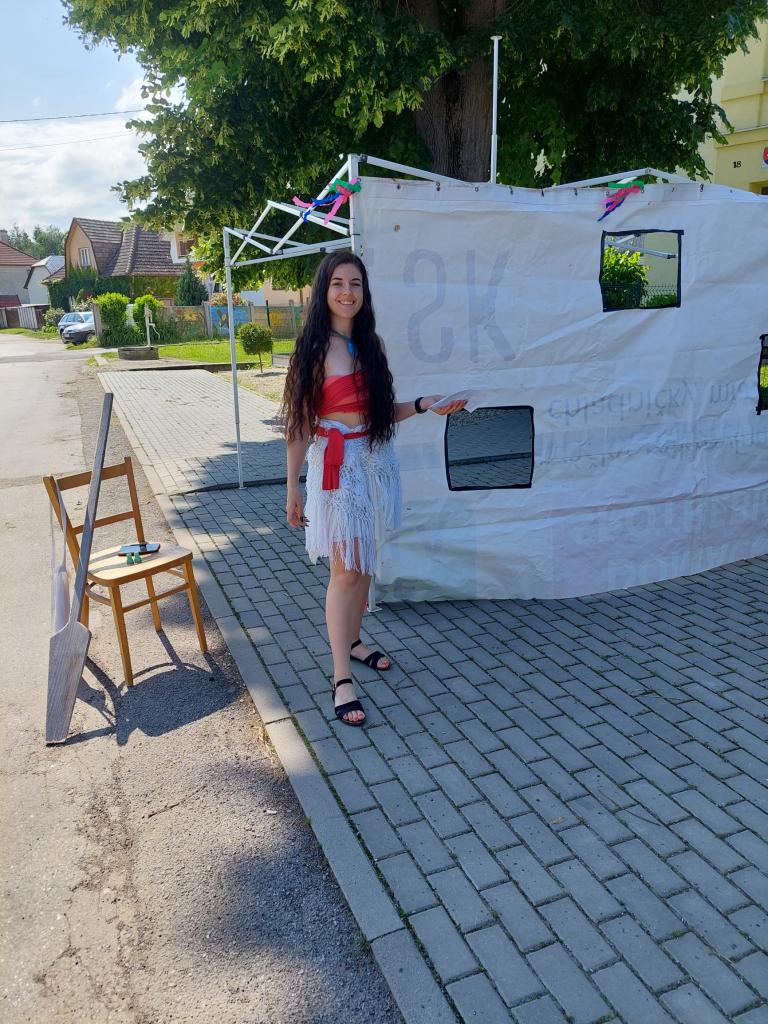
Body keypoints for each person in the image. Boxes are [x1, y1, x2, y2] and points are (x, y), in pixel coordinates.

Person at [282, 252, 465, 726]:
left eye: (356, 284)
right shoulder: (313, 349)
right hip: (336, 469)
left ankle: (354, 641)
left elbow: (381, 413)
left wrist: (425, 404)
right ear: (324, 291)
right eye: (338, 283)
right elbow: (299, 425)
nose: (348, 292)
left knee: (363, 562)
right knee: (344, 571)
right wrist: (292, 487)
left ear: (364, 291)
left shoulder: (371, 344)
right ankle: (341, 677)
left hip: (372, 462)